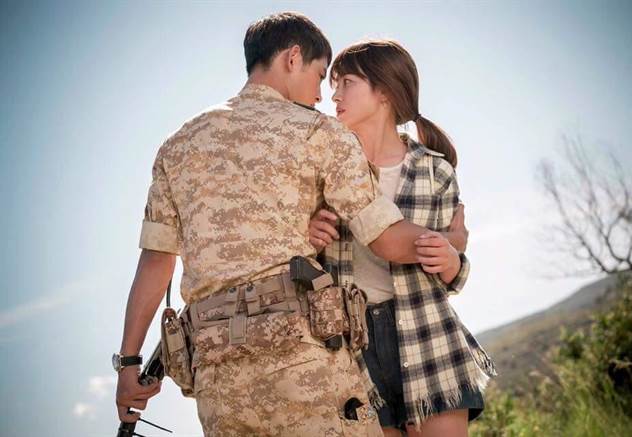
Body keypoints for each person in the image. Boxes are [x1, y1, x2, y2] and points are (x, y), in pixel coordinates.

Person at [114, 13, 469, 437]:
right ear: (293, 57)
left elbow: (156, 263)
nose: (320, 95)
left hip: (219, 382)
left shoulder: (177, 147)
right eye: (320, 76)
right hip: (307, 366)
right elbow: (386, 239)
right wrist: (451, 241)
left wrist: (129, 362)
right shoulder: (319, 133)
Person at [309, 39, 497, 437]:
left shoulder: (436, 172)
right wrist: (307, 238)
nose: (335, 95)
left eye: (347, 83)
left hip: (427, 335)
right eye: (333, 85)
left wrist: (452, 260)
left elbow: (452, 274)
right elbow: (302, 263)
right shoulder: (326, 173)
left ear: (384, 92)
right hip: (352, 351)